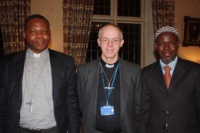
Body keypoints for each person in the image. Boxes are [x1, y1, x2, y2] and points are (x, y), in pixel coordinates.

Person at [0, 14, 80, 133]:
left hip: (53, 130)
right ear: (24, 34)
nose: (40, 35)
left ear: (50, 34)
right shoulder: (7, 63)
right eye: (33, 31)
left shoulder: (65, 62)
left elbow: (72, 103)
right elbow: (2, 102)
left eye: (44, 31)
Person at [77, 23, 141, 133]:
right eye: (105, 40)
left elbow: (138, 106)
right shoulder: (84, 70)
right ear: (99, 42)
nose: (110, 44)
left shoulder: (134, 70)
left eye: (115, 40)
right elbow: (81, 105)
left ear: (121, 43)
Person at [140, 26, 200, 133]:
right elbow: (144, 111)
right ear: (155, 46)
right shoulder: (146, 73)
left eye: (171, 43)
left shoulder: (195, 71)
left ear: (178, 44)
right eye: (161, 43)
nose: (166, 48)